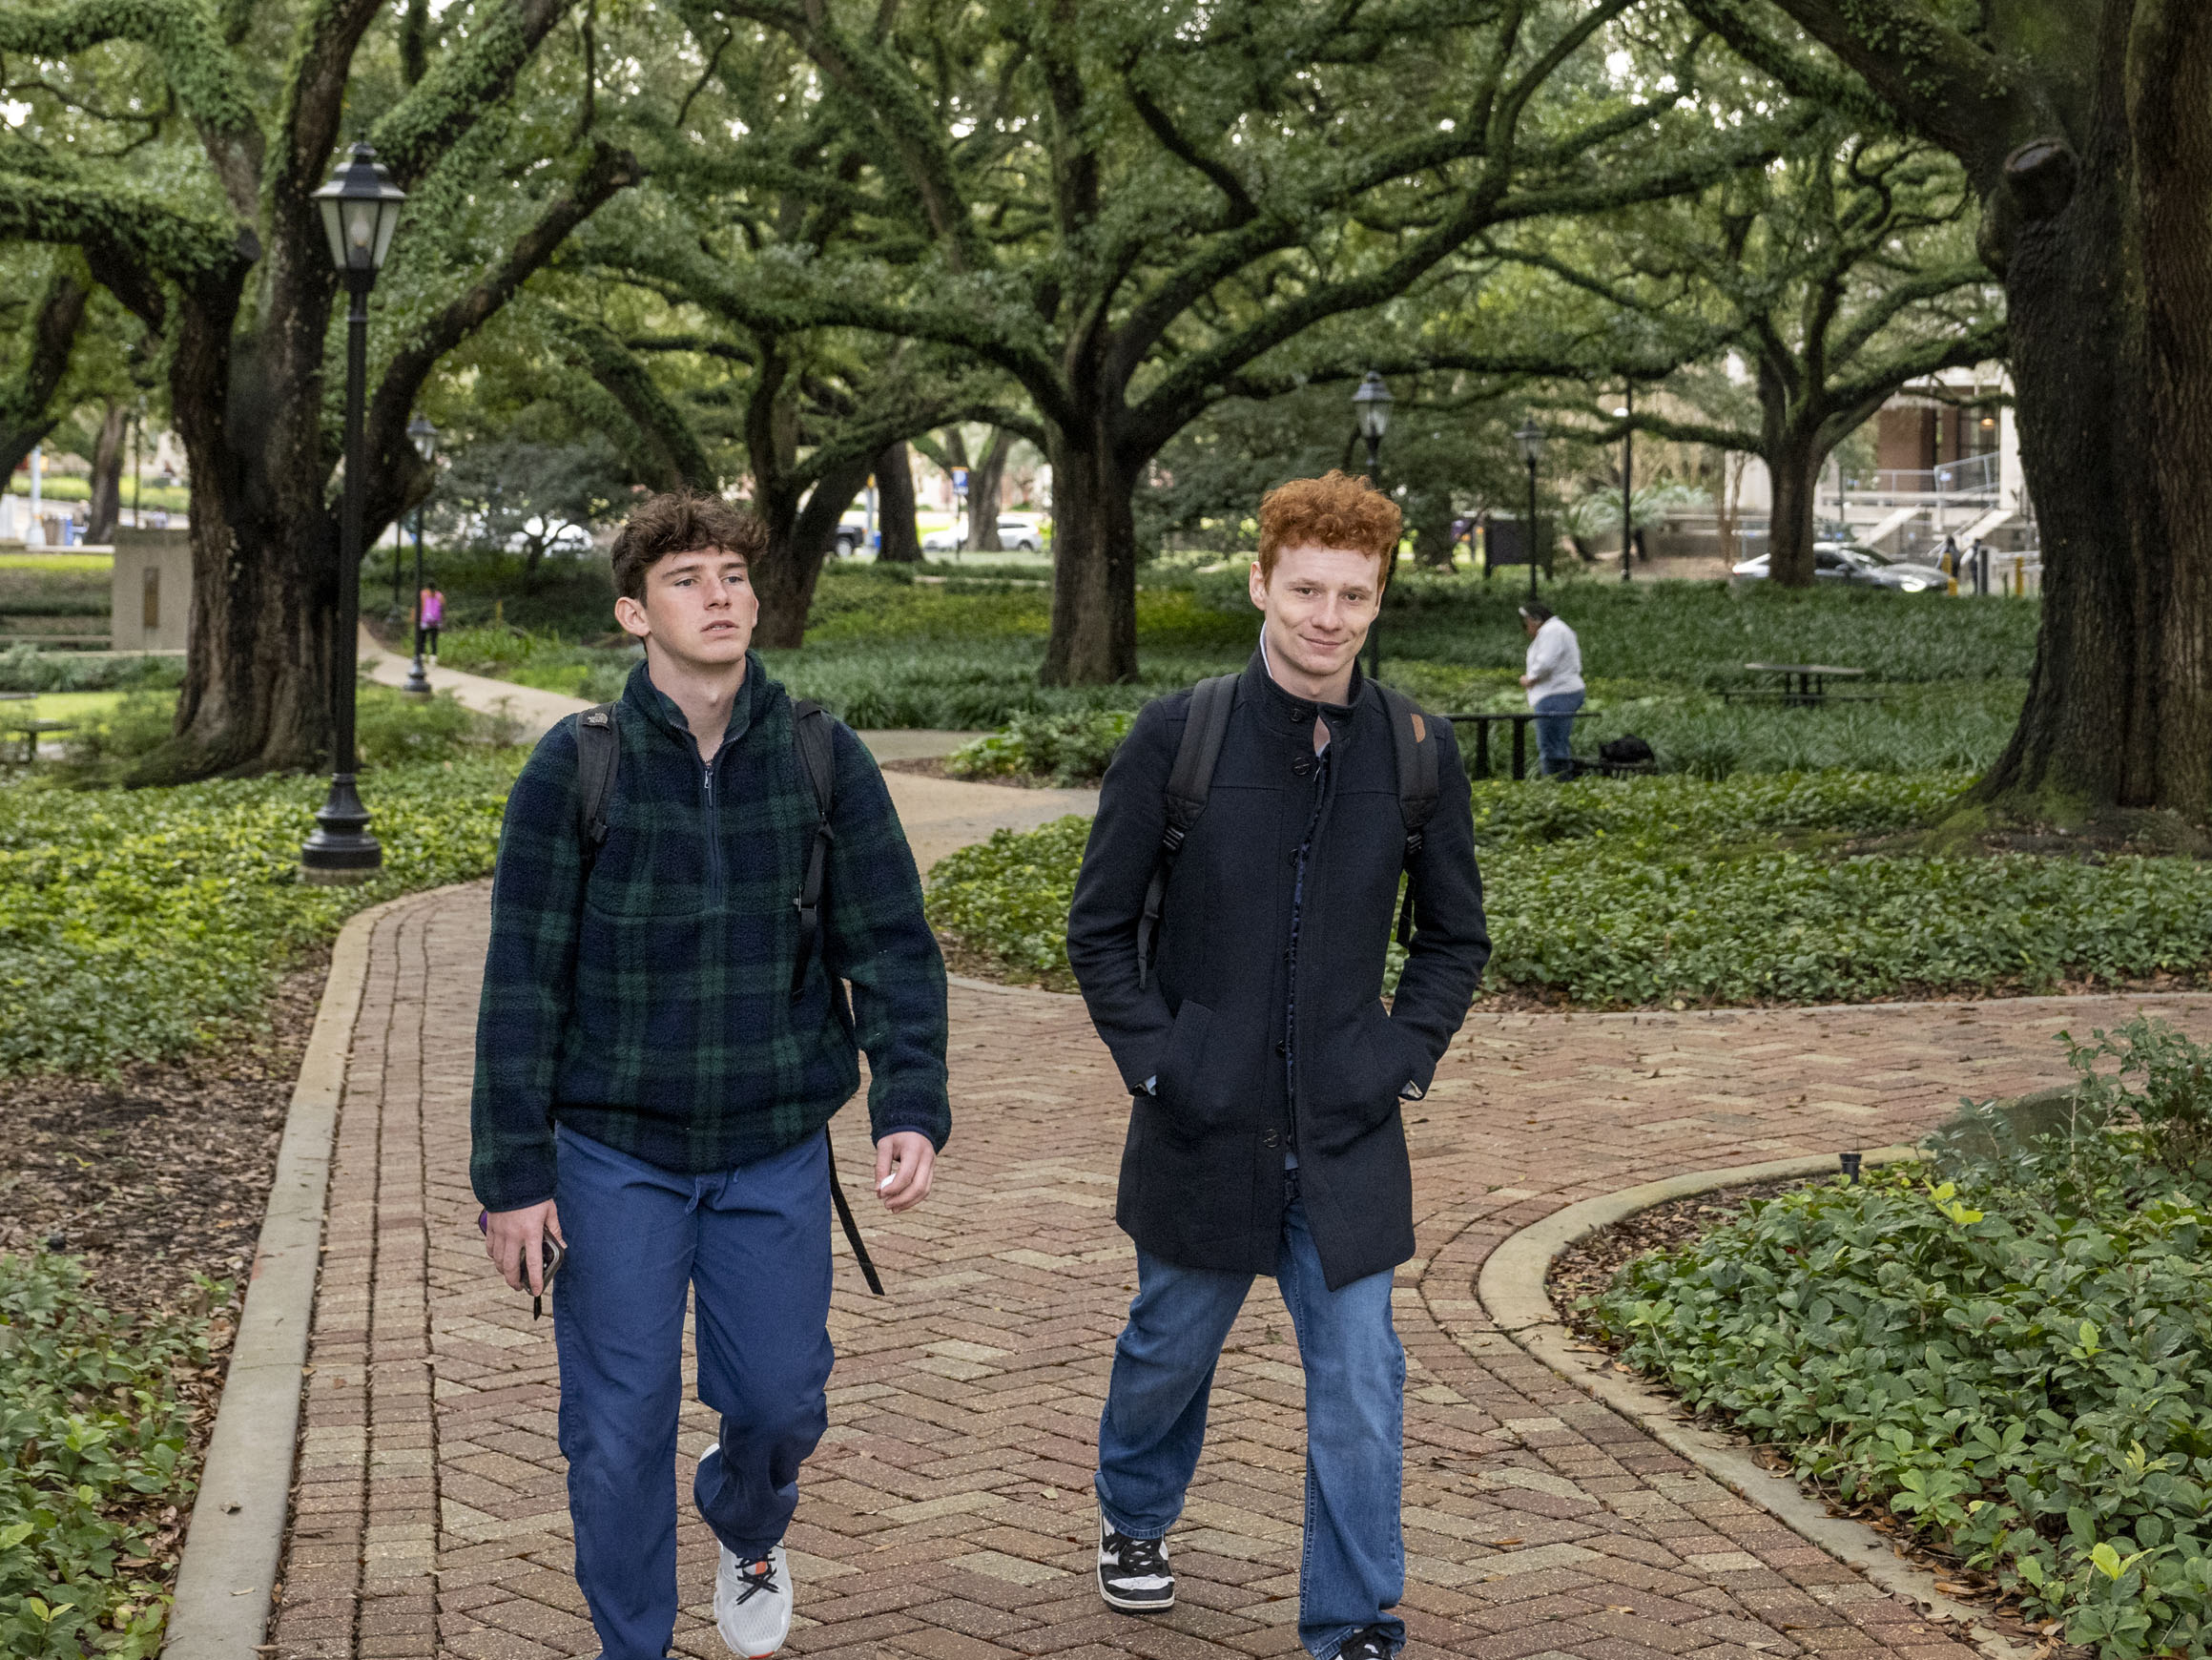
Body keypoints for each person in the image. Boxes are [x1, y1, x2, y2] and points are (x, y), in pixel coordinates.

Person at [469, 492, 950, 1660]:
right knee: (617, 1429)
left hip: (772, 1149)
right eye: (688, 577)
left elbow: (887, 943)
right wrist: (511, 1177)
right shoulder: (572, 769)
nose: (720, 594)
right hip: (610, 1157)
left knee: (781, 1401)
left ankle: (746, 1519)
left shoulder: (818, 756)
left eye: (733, 573)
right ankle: (632, 1644)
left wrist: (908, 1103)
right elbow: (520, 984)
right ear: (635, 611)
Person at [1065, 470, 1491, 1660]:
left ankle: (1351, 1621)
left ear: (1377, 602)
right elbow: (1098, 929)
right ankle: (1134, 1514)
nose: (1326, 614)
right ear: (1259, 583)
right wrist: (1161, 1064)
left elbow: (1455, 935)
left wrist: (1398, 1054)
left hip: (1347, 1132)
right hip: (1203, 1119)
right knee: (1167, 1348)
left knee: (1362, 1381)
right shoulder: (1177, 736)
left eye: (1352, 593)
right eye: (1304, 587)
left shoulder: (1416, 750)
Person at [1519, 601, 1583, 778]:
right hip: (1559, 693)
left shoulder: (1552, 631)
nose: (1526, 630)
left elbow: (1546, 661)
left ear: (1535, 620)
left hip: (1556, 694)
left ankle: (1557, 786)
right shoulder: (1557, 630)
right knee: (1555, 744)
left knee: (1552, 748)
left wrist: (1531, 678)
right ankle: (1561, 783)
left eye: (1526, 624)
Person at [416, 584, 444, 664]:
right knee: (434, 640)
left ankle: (422, 656)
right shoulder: (439, 595)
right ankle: (433, 658)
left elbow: (419, 607)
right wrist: (442, 621)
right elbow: (442, 609)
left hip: (424, 621)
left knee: (422, 639)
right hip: (435, 622)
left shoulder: (423, 594)